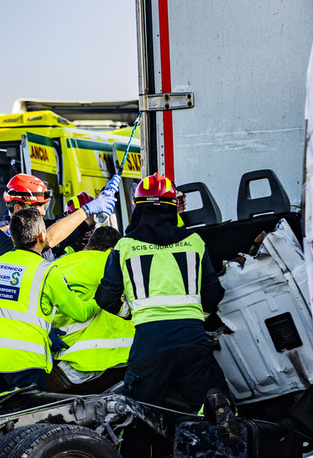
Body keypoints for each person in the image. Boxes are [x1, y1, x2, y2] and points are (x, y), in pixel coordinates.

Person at [94, 173, 238, 434]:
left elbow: (105, 298)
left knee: (137, 411)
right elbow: (214, 292)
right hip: (192, 337)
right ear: (173, 208)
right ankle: (218, 433)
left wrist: (131, 313)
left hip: (150, 341)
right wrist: (199, 315)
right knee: (208, 396)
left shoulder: (124, 247)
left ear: (139, 208)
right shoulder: (194, 242)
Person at [0, 207, 99, 397]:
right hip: (26, 362)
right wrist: (100, 298)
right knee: (27, 423)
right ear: (42, 235)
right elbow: (80, 312)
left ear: (13, 237)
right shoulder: (47, 271)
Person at [49, 226, 136, 390]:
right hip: (83, 357)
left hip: (51, 350)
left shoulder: (60, 262)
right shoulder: (108, 262)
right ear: (111, 250)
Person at [0, 173, 118, 261]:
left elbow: (66, 229)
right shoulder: (2, 235)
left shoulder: (41, 228)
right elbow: (48, 239)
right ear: (18, 208)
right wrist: (86, 210)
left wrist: (95, 209)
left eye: (45, 207)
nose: (42, 212)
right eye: (38, 206)